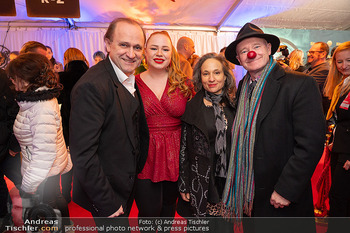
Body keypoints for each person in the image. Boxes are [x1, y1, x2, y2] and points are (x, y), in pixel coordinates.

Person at [222, 23, 325, 232]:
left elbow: (311, 143)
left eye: (256, 47)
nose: (251, 53)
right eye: (244, 51)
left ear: (269, 49)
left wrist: (286, 189)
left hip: (281, 198)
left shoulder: (299, 84)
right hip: (250, 198)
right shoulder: (243, 87)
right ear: (240, 59)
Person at [69, 18, 149, 219]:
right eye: (124, 45)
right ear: (107, 44)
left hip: (123, 183)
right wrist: (107, 202)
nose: (131, 54)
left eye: (137, 47)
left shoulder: (126, 76)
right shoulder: (92, 86)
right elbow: (83, 154)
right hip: (107, 193)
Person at [6, 53, 72, 228]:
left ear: (26, 79)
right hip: (45, 170)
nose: (12, 81)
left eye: (14, 77)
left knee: (49, 210)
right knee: (53, 203)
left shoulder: (40, 107)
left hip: (43, 172)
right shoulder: (34, 100)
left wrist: (28, 185)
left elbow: (44, 154)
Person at [134, 31, 193, 223]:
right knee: (148, 212)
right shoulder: (131, 83)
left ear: (172, 54)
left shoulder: (184, 84)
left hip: (176, 155)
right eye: (154, 48)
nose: (159, 53)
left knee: (169, 208)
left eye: (165, 49)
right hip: (144, 155)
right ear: (145, 51)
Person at [178, 53, 235, 221]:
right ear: (199, 77)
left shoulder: (235, 106)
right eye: (206, 73)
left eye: (217, 73)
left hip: (228, 182)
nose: (211, 78)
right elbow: (184, 148)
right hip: (202, 180)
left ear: (225, 76)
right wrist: (184, 183)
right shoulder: (192, 107)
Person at [323, 41, 350, 232]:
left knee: (340, 198)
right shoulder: (342, 84)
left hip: (347, 153)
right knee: (338, 197)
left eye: (349, 60)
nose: (343, 65)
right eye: (339, 61)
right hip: (339, 147)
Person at [58, 48, 89, 203]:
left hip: (67, 127)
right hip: (89, 128)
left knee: (67, 162)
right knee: (86, 161)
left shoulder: (61, 78)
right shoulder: (92, 75)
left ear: (66, 59)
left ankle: (65, 195)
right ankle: (84, 193)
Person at [0, 68, 22, 231]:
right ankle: (3, 216)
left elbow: (15, 114)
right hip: (6, 142)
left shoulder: (3, 78)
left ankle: (35, 214)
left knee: (22, 182)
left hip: (6, 145)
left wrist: (14, 145)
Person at [304, 42, 330, 114]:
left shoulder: (325, 70)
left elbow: (304, 86)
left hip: (314, 113)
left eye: (312, 52)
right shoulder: (310, 69)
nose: (308, 54)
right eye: (309, 52)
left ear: (323, 54)